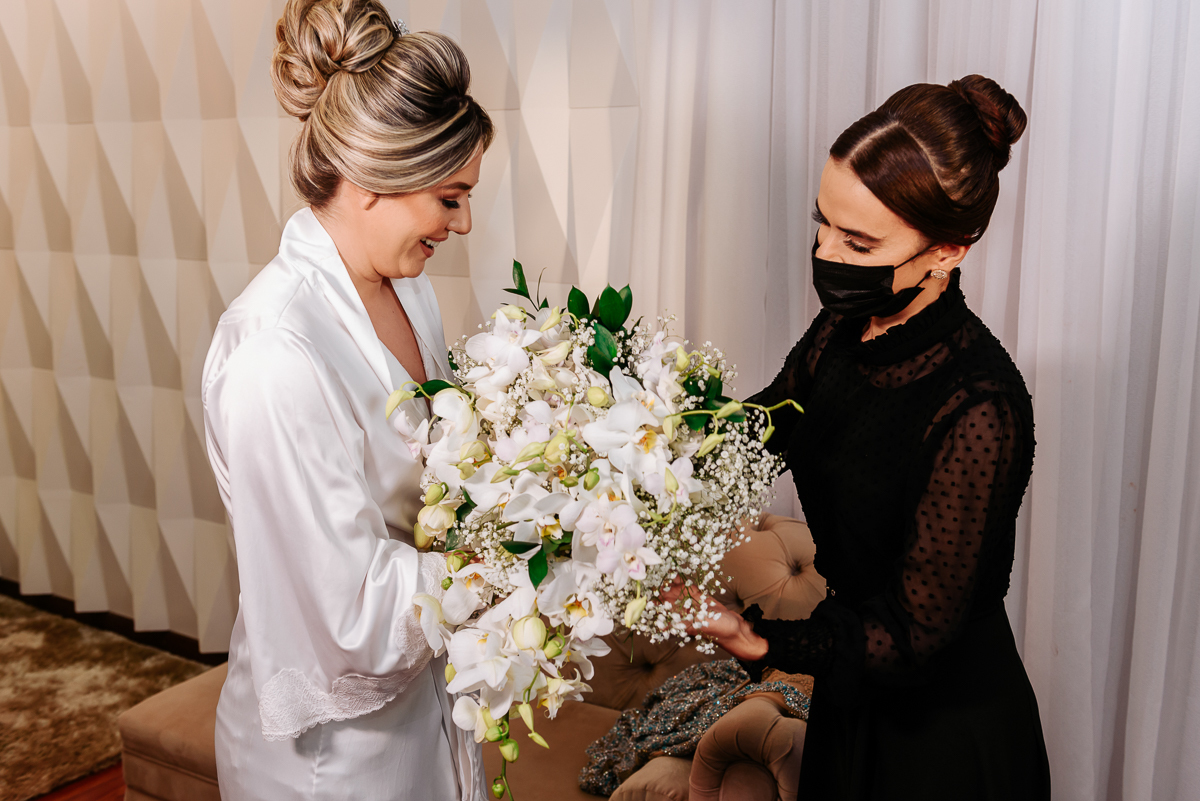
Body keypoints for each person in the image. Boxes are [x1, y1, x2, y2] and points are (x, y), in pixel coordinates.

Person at [690, 76, 1051, 798]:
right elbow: (765, 426)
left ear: (948, 251)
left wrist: (761, 640)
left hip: (944, 739)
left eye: (857, 240)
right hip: (853, 699)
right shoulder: (843, 332)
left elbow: (914, 633)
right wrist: (629, 437)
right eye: (822, 223)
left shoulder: (980, 404)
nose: (827, 253)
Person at [200, 1, 493, 798]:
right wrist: (526, 565)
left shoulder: (409, 294)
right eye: (449, 196)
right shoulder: (275, 354)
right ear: (373, 180)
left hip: (428, 717)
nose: (463, 222)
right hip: (334, 767)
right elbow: (350, 611)